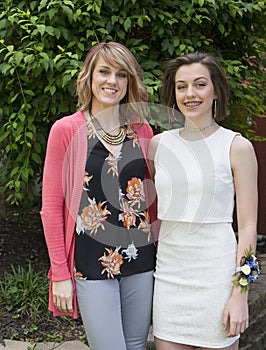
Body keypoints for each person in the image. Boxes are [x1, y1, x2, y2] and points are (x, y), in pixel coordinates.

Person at [40, 41, 157, 350]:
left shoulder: (142, 130)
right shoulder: (66, 130)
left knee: (136, 345)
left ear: (130, 81)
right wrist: (60, 275)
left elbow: (154, 200)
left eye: (121, 74)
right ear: (89, 78)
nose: (112, 81)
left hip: (140, 260)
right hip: (92, 263)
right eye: (104, 72)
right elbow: (51, 208)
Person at [148, 52, 259, 350]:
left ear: (215, 91)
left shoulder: (236, 147)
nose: (190, 93)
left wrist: (240, 293)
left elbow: (248, 227)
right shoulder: (159, 145)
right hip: (170, 278)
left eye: (199, 84)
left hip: (216, 280)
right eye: (181, 86)